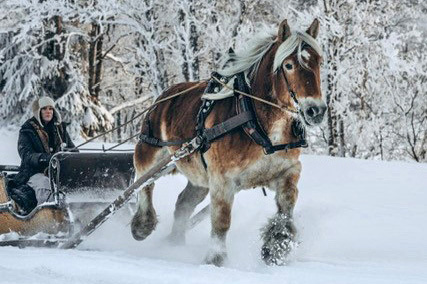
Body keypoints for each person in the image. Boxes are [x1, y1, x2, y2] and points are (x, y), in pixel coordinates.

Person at [7, 97, 77, 215]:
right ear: (38, 111)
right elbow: (26, 155)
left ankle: (78, 214)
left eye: (50, 108)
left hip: (57, 172)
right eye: (44, 108)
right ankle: (47, 220)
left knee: (75, 185)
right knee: (46, 186)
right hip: (33, 173)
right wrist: (45, 158)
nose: (48, 111)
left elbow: (73, 150)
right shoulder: (27, 130)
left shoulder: (60, 129)